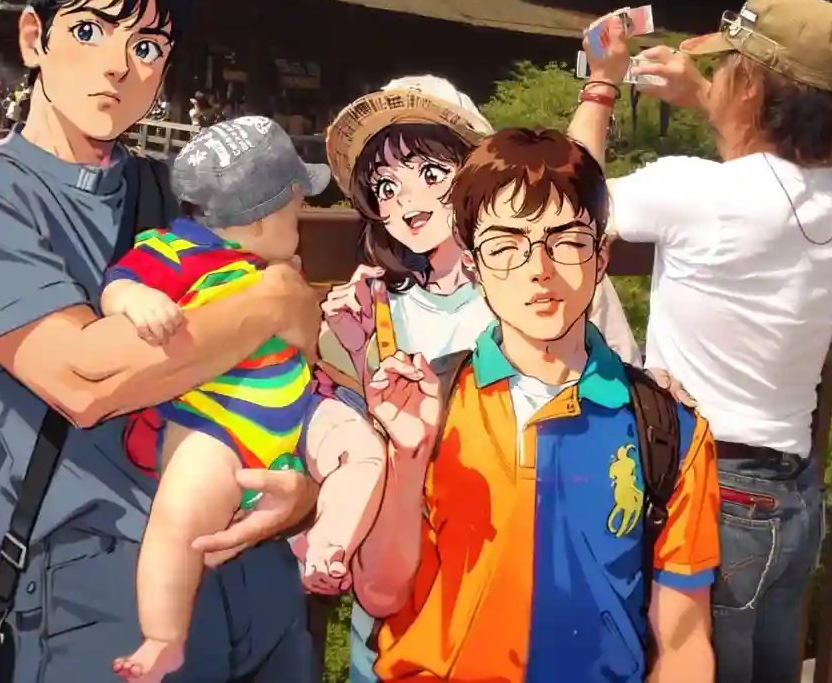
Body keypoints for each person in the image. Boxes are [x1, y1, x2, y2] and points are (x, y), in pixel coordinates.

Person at [0, 0, 324, 683]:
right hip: (96, 583)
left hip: (253, 557)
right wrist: (270, 300)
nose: (119, 65)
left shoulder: (177, 194)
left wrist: (304, 489)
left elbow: (296, 360)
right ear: (34, 37)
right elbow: (84, 377)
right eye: (89, 31)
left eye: (148, 45)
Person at [569, 0, 832, 683]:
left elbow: (567, 198)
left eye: (730, 65)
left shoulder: (696, 191)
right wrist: (703, 94)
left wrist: (601, 84)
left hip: (712, 485)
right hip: (792, 493)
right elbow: (769, 165)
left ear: (752, 86)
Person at [353, 127, 721, 683]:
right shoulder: (426, 403)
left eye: (567, 242)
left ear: (600, 257)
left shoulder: (667, 429)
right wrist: (406, 459)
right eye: (504, 247)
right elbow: (380, 594)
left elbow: (684, 642)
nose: (538, 269)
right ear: (473, 267)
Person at [316, 75, 644, 683]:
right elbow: (361, 438)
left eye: (431, 173)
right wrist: (359, 356)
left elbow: (618, 404)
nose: (408, 202)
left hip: (524, 575)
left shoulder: (544, 289)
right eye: (385, 186)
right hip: (405, 587)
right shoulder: (373, 307)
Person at [100, 116, 386, 683]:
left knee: (362, 450)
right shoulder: (173, 251)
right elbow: (119, 283)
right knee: (180, 519)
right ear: (259, 219)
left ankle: (328, 545)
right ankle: (163, 635)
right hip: (216, 422)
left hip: (294, 409)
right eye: (294, 213)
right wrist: (136, 302)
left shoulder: (272, 268)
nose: (300, 226)